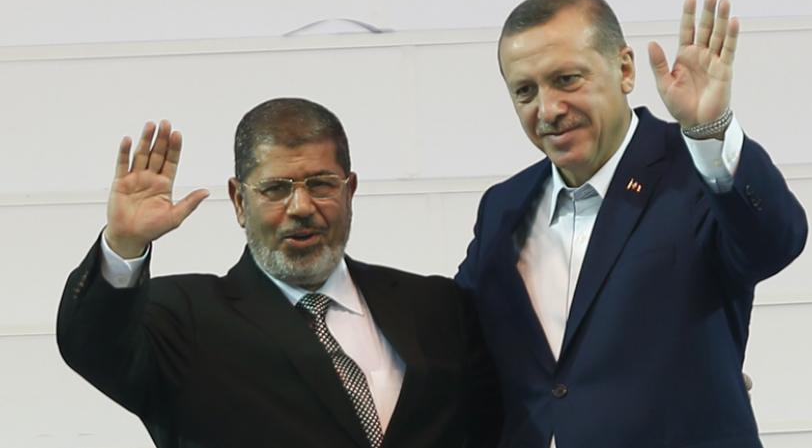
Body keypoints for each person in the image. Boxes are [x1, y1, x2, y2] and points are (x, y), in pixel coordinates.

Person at [456, 0, 808, 448]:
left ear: (624, 69)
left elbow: (775, 242)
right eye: (525, 91)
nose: (547, 110)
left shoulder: (696, 171)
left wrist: (711, 130)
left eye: (566, 79)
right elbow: (458, 338)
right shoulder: (504, 206)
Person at [57, 98, 500, 448]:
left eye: (322, 184)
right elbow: (93, 346)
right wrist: (124, 246)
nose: (301, 208)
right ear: (238, 201)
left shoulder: (436, 306)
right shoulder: (185, 318)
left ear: (350, 191)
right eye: (275, 189)